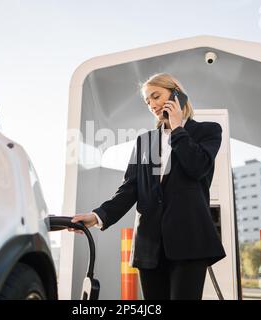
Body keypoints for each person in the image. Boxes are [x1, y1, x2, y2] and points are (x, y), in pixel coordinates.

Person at [69, 73, 226, 300]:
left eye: (156, 96)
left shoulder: (208, 131)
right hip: (149, 247)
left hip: (190, 242)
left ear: (177, 94)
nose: (152, 104)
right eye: (147, 101)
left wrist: (177, 128)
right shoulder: (145, 142)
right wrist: (97, 216)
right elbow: (130, 189)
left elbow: (197, 166)